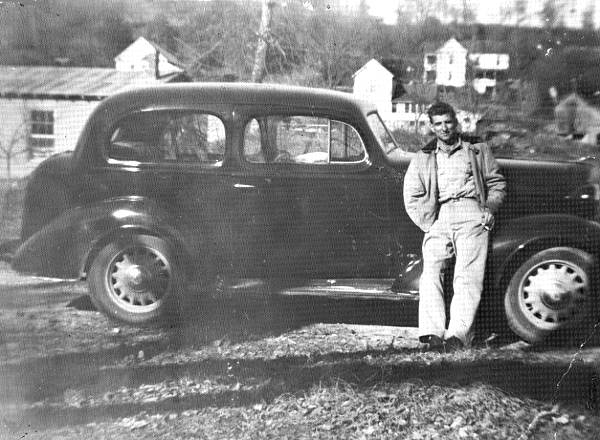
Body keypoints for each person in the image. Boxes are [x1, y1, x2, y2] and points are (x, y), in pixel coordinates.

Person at [403, 102, 506, 352]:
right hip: (440, 216)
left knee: (467, 277)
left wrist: (489, 209)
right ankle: (432, 334)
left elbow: (496, 183)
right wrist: (427, 222)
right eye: (438, 124)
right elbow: (412, 194)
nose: (444, 128)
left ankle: (458, 335)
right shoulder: (424, 156)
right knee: (430, 273)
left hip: (472, 212)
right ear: (432, 127)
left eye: (448, 122)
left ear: (456, 122)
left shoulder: (478, 149)